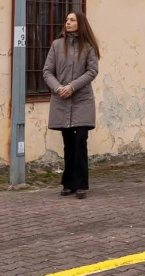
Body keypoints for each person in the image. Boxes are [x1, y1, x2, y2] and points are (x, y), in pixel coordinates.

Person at [43, 12, 101, 199]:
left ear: (80, 23)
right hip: (62, 99)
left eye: (72, 20)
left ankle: (82, 184)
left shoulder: (88, 47)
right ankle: (68, 183)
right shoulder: (56, 45)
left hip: (82, 99)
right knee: (68, 143)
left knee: (80, 140)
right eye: (66, 20)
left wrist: (72, 86)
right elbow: (47, 71)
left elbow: (92, 71)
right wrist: (58, 88)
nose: (67, 22)